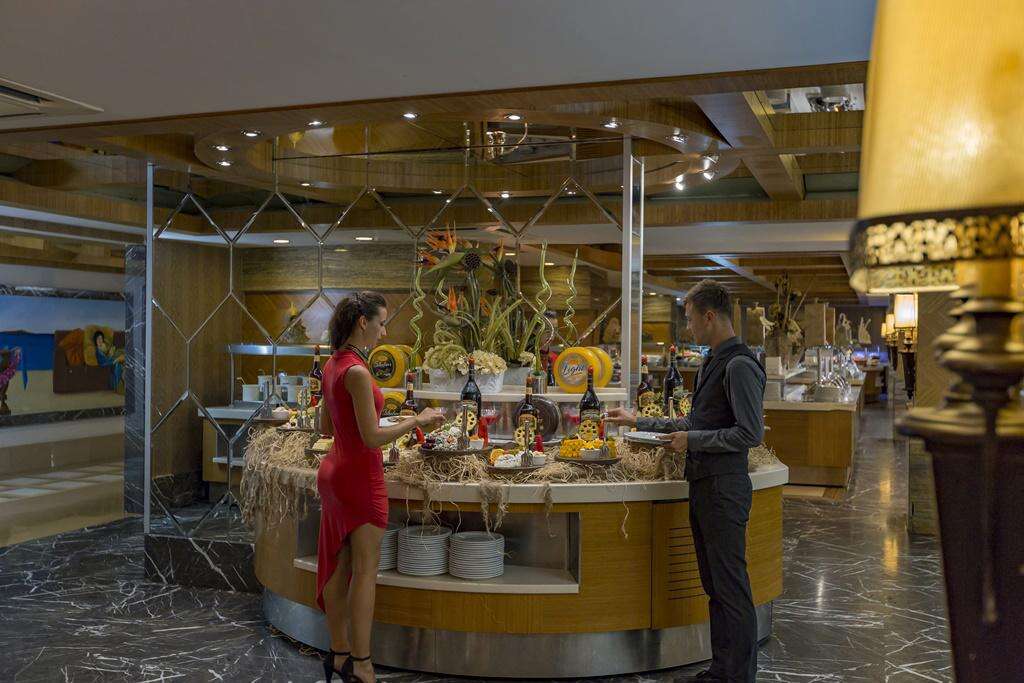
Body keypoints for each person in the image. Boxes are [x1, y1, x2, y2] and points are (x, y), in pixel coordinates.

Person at [607, 279, 766, 683]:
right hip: (705, 486)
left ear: (710, 316)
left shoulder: (740, 365)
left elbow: (749, 434)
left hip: (725, 490)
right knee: (715, 586)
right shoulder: (713, 361)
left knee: (731, 589)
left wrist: (692, 440)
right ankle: (722, 670)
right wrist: (639, 422)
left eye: (691, 319)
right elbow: (696, 423)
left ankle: (738, 677)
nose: (689, 327)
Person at [316, 291, 443, 683]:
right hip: (360, 476)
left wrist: (377, 420)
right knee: (365, 573)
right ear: (363, 322)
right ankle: (363, 664)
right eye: (382, 323)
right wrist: (417, 420)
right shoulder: (357, 371)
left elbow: (325, 426)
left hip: (334, 472)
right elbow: (371, 438)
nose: (384, 332)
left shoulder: (333, 364)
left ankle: (339, 654)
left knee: (339, 566)